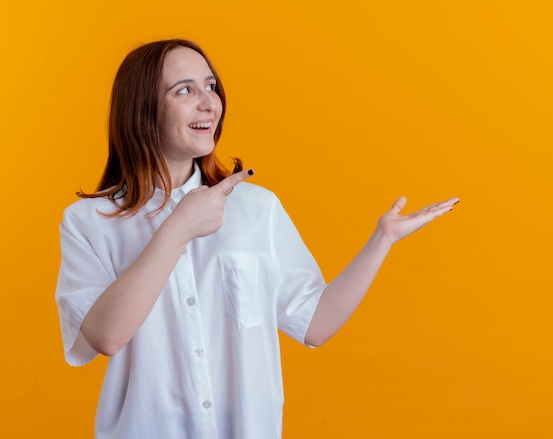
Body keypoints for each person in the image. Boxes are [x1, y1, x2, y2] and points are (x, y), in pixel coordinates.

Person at [55, 38, 459, 439]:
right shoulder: (88, 221)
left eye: (211, 86)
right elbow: (106, 337)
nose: (209, 103)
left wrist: (382, 239)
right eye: (184, 90)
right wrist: (178, 227)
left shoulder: (255, 208)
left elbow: (314, 323)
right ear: (141, 110)